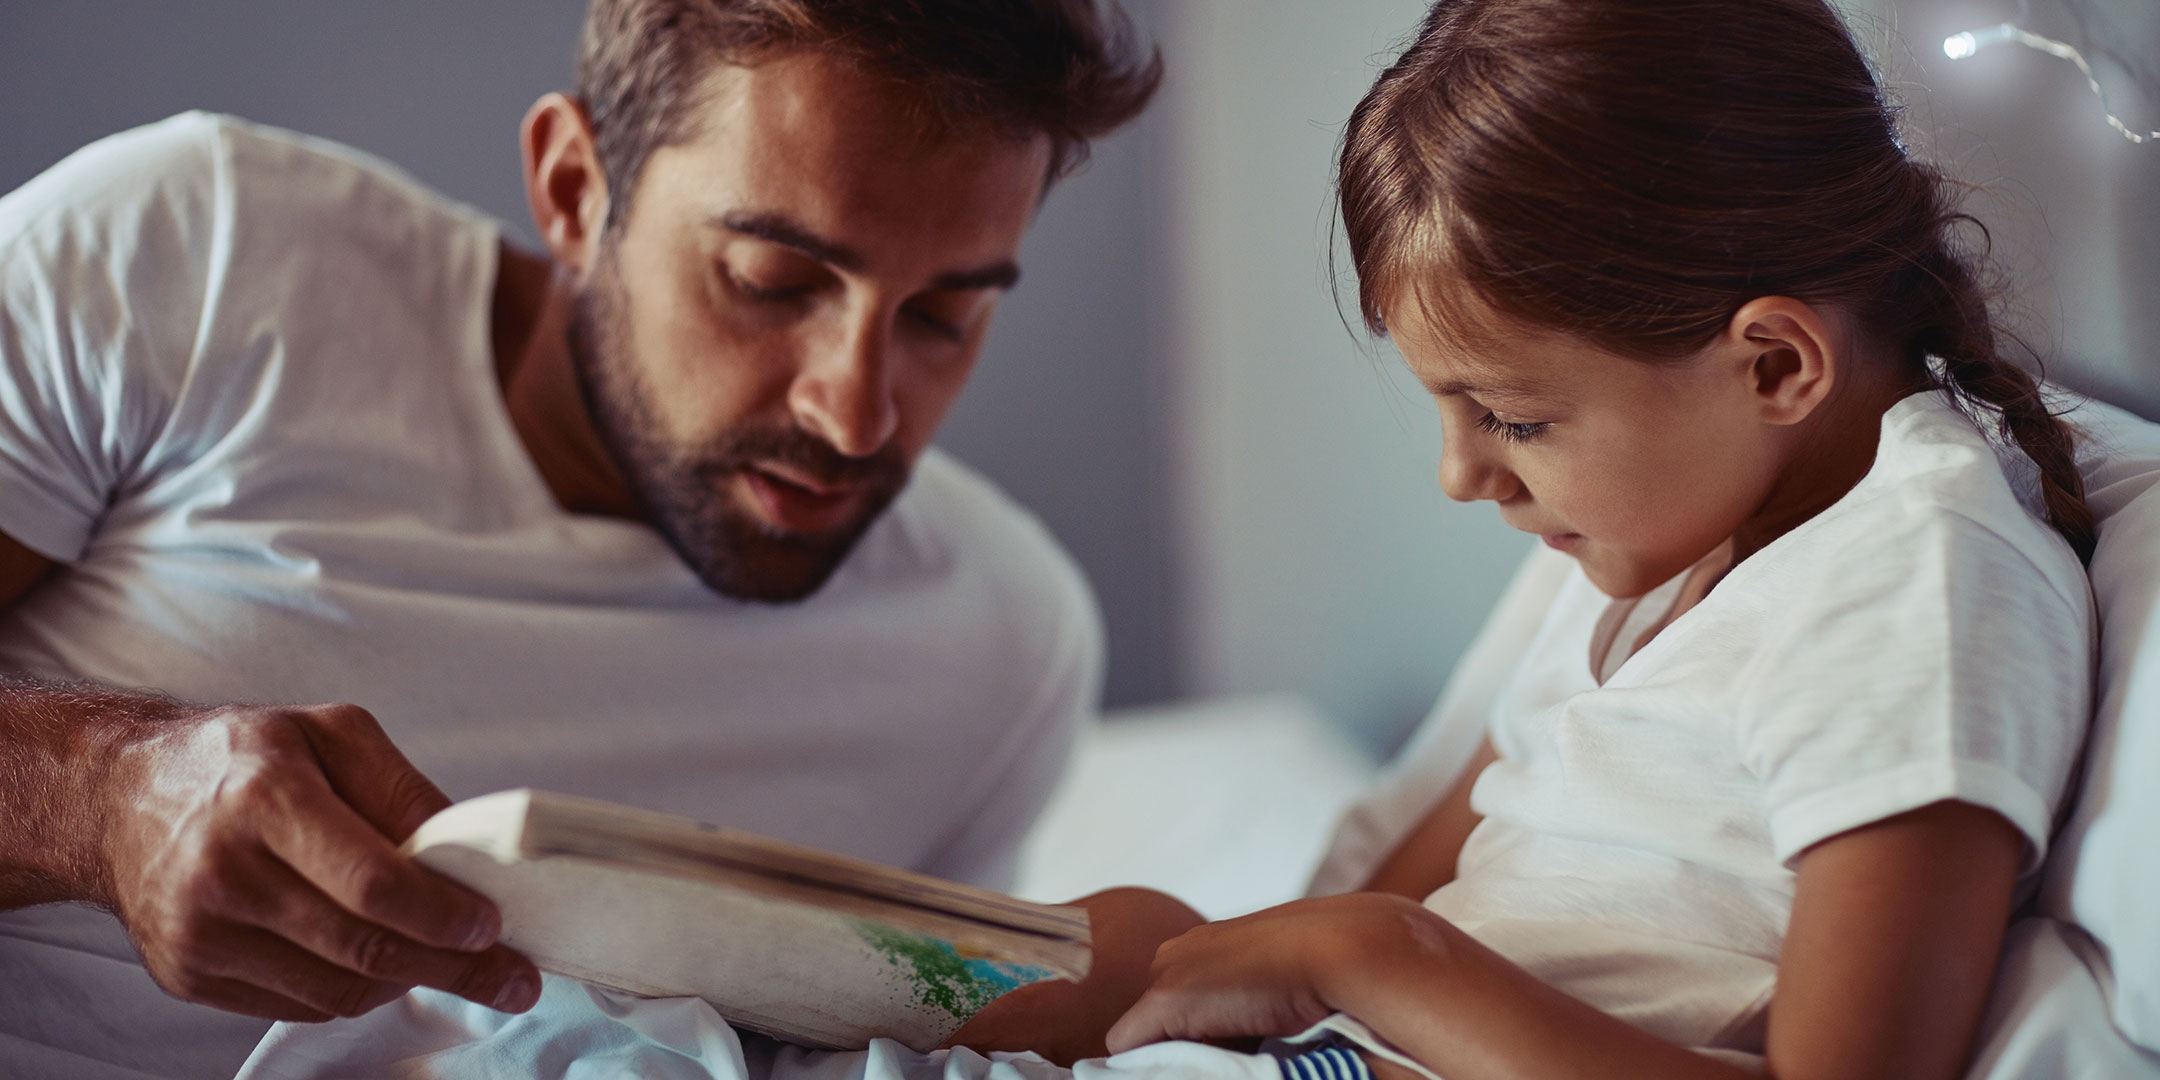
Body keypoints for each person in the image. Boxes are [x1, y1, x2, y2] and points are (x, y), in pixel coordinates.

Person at [0, 2, 1160, 1078]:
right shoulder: (196, 256)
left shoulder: (1002, 641)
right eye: (771, 280)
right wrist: (99, 803)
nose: (855, 415)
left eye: (945, 315)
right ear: (574, 188)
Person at [1069, 0, 2101, 1077]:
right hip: (1325, 1047)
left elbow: (1372, 938)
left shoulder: (1913, 602)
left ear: (1776, 365)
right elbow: (1377, 901)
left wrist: (1375, 956)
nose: (1460, 478)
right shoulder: (1669, 537)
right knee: (1085, 948)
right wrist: (1297, 954)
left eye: (1513, 419)